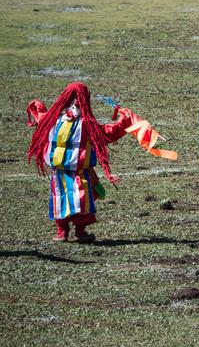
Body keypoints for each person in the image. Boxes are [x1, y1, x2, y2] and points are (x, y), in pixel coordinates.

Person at [26, 82, 133, 243]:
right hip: (76, 172)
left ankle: (63, 231)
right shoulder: (86, 125)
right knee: (80, 199)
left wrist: (37, 107)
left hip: (61, 172)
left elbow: (40, 117)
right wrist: (124, 120)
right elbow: (108, 133)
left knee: (62, 197)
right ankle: (77, 231)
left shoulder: (52, 120)